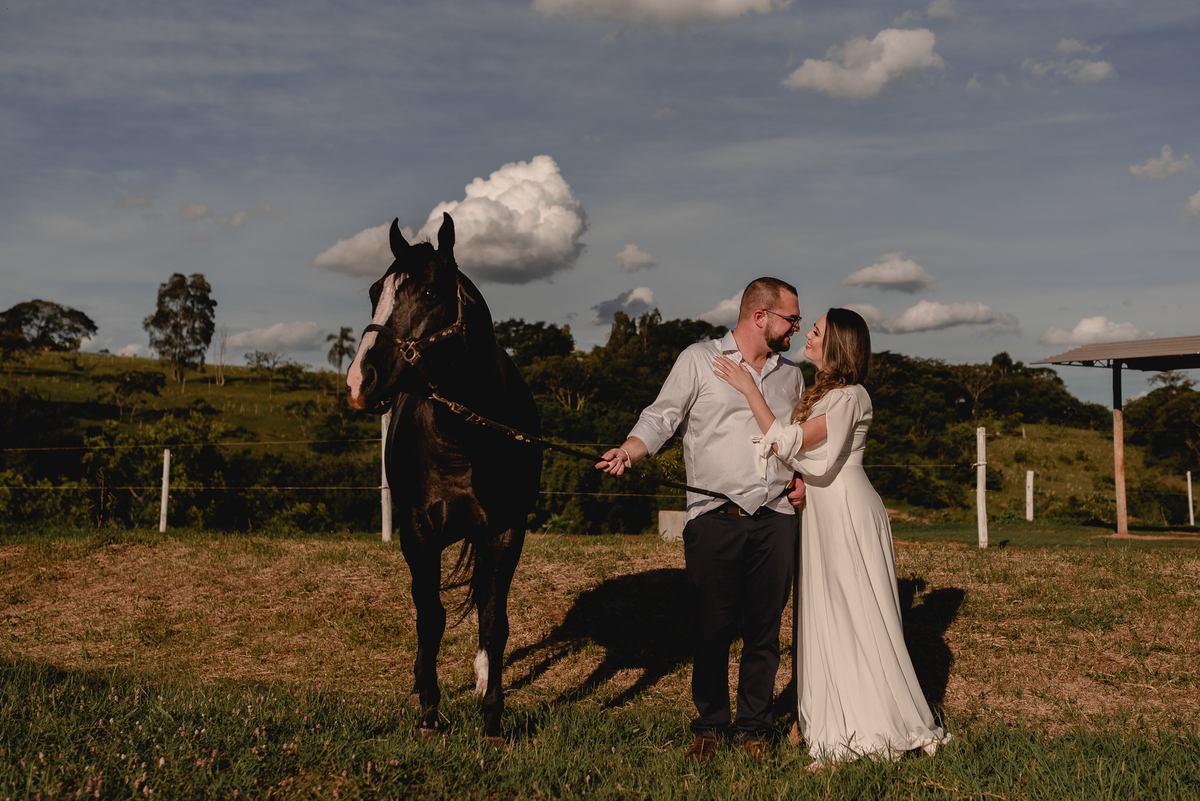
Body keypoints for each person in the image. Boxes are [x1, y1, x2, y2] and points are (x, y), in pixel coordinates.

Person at [713, 308, 947, 767]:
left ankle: (868, 725)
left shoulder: (848, 397)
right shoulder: (831, 395)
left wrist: (749, 389)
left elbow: (791, 441)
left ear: (835, 345)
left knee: (853, 615)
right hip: (823, 511)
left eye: (815, 330)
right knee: (825, 615)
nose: (808, 334)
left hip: (844, 512)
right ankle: (821, 715)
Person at [596, 277, 807, 761]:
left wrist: (799, 478)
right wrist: (630, 451)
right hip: (714, 516)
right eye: (791, 318)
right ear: (761, 318)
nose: (796, 326)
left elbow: (793, 440)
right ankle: (710, 725)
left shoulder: (791, 375)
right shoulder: (698, 359)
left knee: (764, 631)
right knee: (711, 629)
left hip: (776, 517)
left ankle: (754, 729)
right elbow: (661, 416)